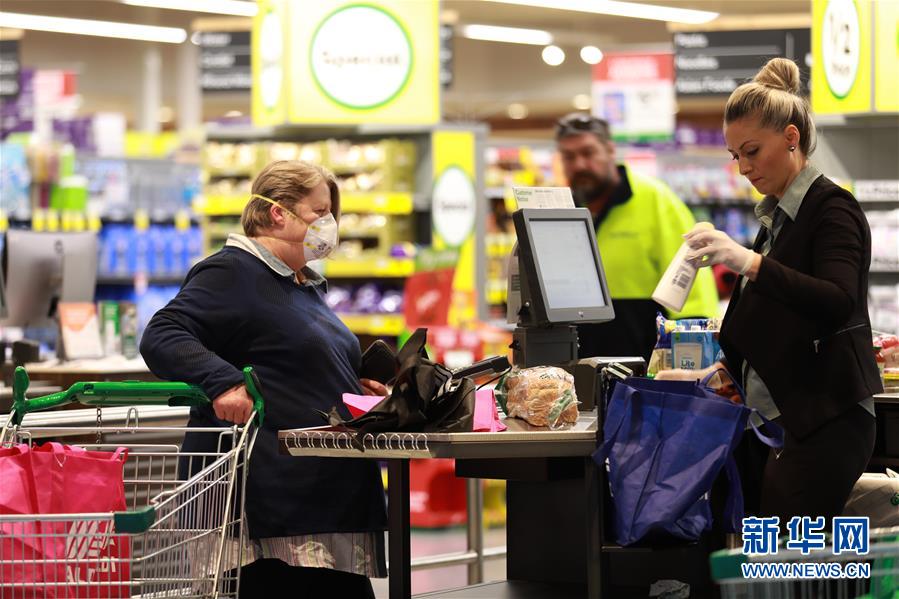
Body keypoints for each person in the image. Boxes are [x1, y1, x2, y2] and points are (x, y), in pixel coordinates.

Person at [140, 160, 388, 597]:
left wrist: (356, 385)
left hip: (322, 499)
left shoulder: (302, 284)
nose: (328, 224)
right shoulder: (234, 272)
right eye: (319, 211)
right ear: (278, 213)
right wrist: (222, 381)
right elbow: (163, 334)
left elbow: (288, 359)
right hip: (272, 513)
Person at [657, 58, 882, 530]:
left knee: (785, 562)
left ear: (792, 137)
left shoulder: (832, 209)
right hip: (781, 423)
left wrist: (747, 262)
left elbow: (837, 300)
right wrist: (709, 374)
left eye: (752, 151)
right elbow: (772, 322)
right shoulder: (776, 220)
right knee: (768, 558)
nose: (743, 168)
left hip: (825, 423)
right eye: (735, 155)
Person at [554, 113, 719, 361]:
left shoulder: (655, 200)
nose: (579, 165)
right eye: (569, 157)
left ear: (610, 150)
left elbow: (693, 284)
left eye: (588, 153)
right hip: (579, 365)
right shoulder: (560, 207)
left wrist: (693, 355)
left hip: (646, 367)